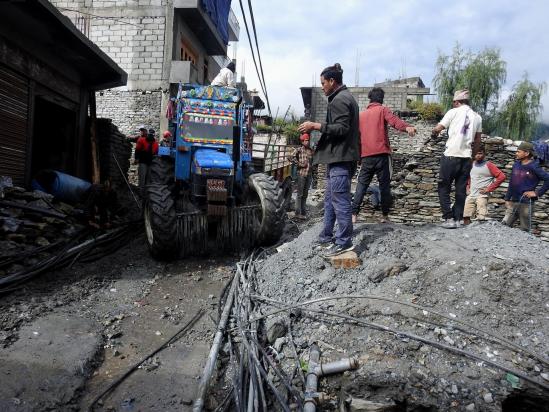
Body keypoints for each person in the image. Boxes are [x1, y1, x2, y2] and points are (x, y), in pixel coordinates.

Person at [298, 63, 360, 257]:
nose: (322, 86)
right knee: (330, 200)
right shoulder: (342, 97)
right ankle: (326, 237)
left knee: (340, 200)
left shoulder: (340, 100)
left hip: (341, 158)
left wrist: (314, 125)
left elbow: (341, 128)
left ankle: (344, 241)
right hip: (337, 158)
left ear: (332, 81)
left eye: (323, 83)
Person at [351, 87, 416, 224]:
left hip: (366, 156)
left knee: (361, 186)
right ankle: (384, 216)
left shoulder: (361, 116)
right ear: (381, 99)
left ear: (370, 98)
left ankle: (354, 215)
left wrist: (359, 157)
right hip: (381, 155)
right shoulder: (382, 110)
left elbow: (356, 138)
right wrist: (407, 127)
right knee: (384, 186)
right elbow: (394, 121)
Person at [431, 89, 482, 229]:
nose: (453, 104)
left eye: (453, 102)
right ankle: (458, 218)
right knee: (460, 189)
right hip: (466, 158)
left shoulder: (453, 112)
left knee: (444, 187)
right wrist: (472, 158)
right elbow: (478, 140)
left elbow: (439, 128)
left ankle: (448, 218)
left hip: (451, 155)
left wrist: (434, 133)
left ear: (457, 101)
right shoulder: (477, 117)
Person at [502, 142, 549, 231]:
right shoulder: (516, 165)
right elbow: (512, 182)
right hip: (514, 202)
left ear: (526, 153)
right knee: (505, 227)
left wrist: (537, 193)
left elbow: (548, 179)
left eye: (519, 151)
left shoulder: (534, 167)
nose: (516, 153)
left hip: (526, 203)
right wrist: (507, 198)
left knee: (524, 229)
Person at [463, 147, 505, 224]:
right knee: (466, 216)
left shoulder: (489, 165)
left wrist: (489, 189)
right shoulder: (471, 164)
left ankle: (481, 234)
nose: (478, 155)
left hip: (482, 195)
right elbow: (470, 177)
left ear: (484, 154)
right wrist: (467, 187)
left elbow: (502, 177)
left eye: (480, 153)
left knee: (481, 217)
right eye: (476, 153)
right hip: (471, 194)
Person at [289, 133, 314, 219]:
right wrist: (299, 164)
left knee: (305, 194)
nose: (307, 142)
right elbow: (290, 157)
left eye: (308, 140)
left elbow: (312, 161)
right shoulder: (299, 150)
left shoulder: (310, 150)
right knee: (300, 194)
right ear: (302, 141)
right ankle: (297, 212)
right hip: (301, 174)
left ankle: (303, 212)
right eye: (306, 140)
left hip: (309, 175)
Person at [135, 128, 159, 197]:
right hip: (143, 162)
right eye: (150, 133)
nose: (151, 135)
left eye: (152, 134)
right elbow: (137, 150)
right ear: (148, 134)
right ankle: (140, 194)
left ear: (154, 135)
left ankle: (147, 195)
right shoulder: (142, 140)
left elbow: (156, 154)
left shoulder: (155, 144)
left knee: (148, 179)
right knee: (142, 178)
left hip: (150, 163)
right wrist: (136, 158)